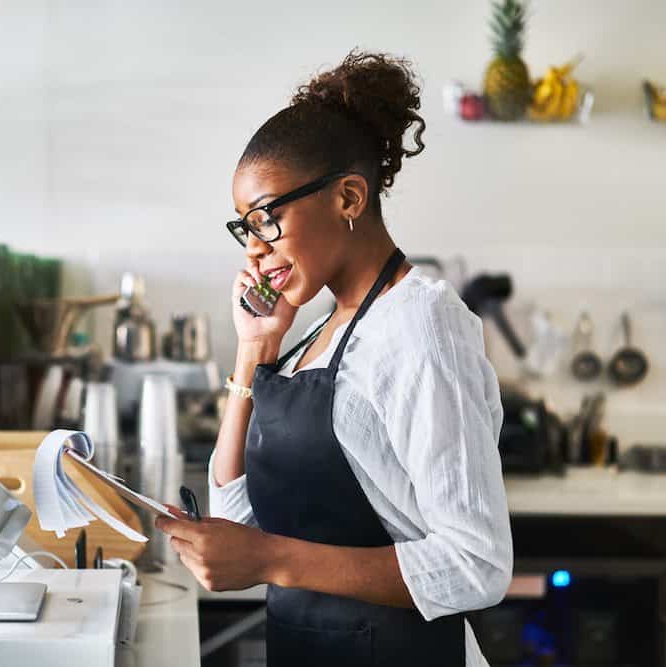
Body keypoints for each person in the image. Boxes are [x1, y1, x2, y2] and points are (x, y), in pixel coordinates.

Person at [156, 49, 512, 666]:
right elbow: (238, 512)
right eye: (245, 229)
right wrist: (254, 349)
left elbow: (476, 564)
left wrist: (270, 561)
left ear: (348, 197)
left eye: (267, 219)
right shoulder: (317, 329)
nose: (257, 251)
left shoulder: (421, 324)